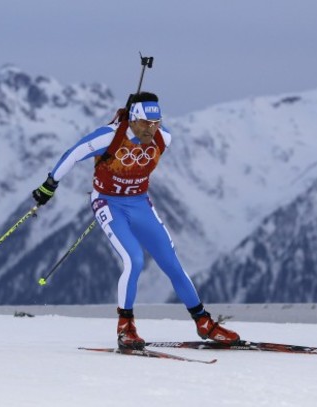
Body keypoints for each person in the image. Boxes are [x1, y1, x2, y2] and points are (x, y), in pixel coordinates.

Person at [32, 92, 240, 349]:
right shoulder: (109, 136)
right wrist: (49, 185)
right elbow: (73, 154)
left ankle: (203, 322)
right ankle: (125, 327)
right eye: (144, 123)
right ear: (131, 119)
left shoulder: (164, 137)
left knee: (171, 262)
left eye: (156, 123)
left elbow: (152, 141)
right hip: (108, 203)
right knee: (134, 260)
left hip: (140, 203)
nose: (151, 129)